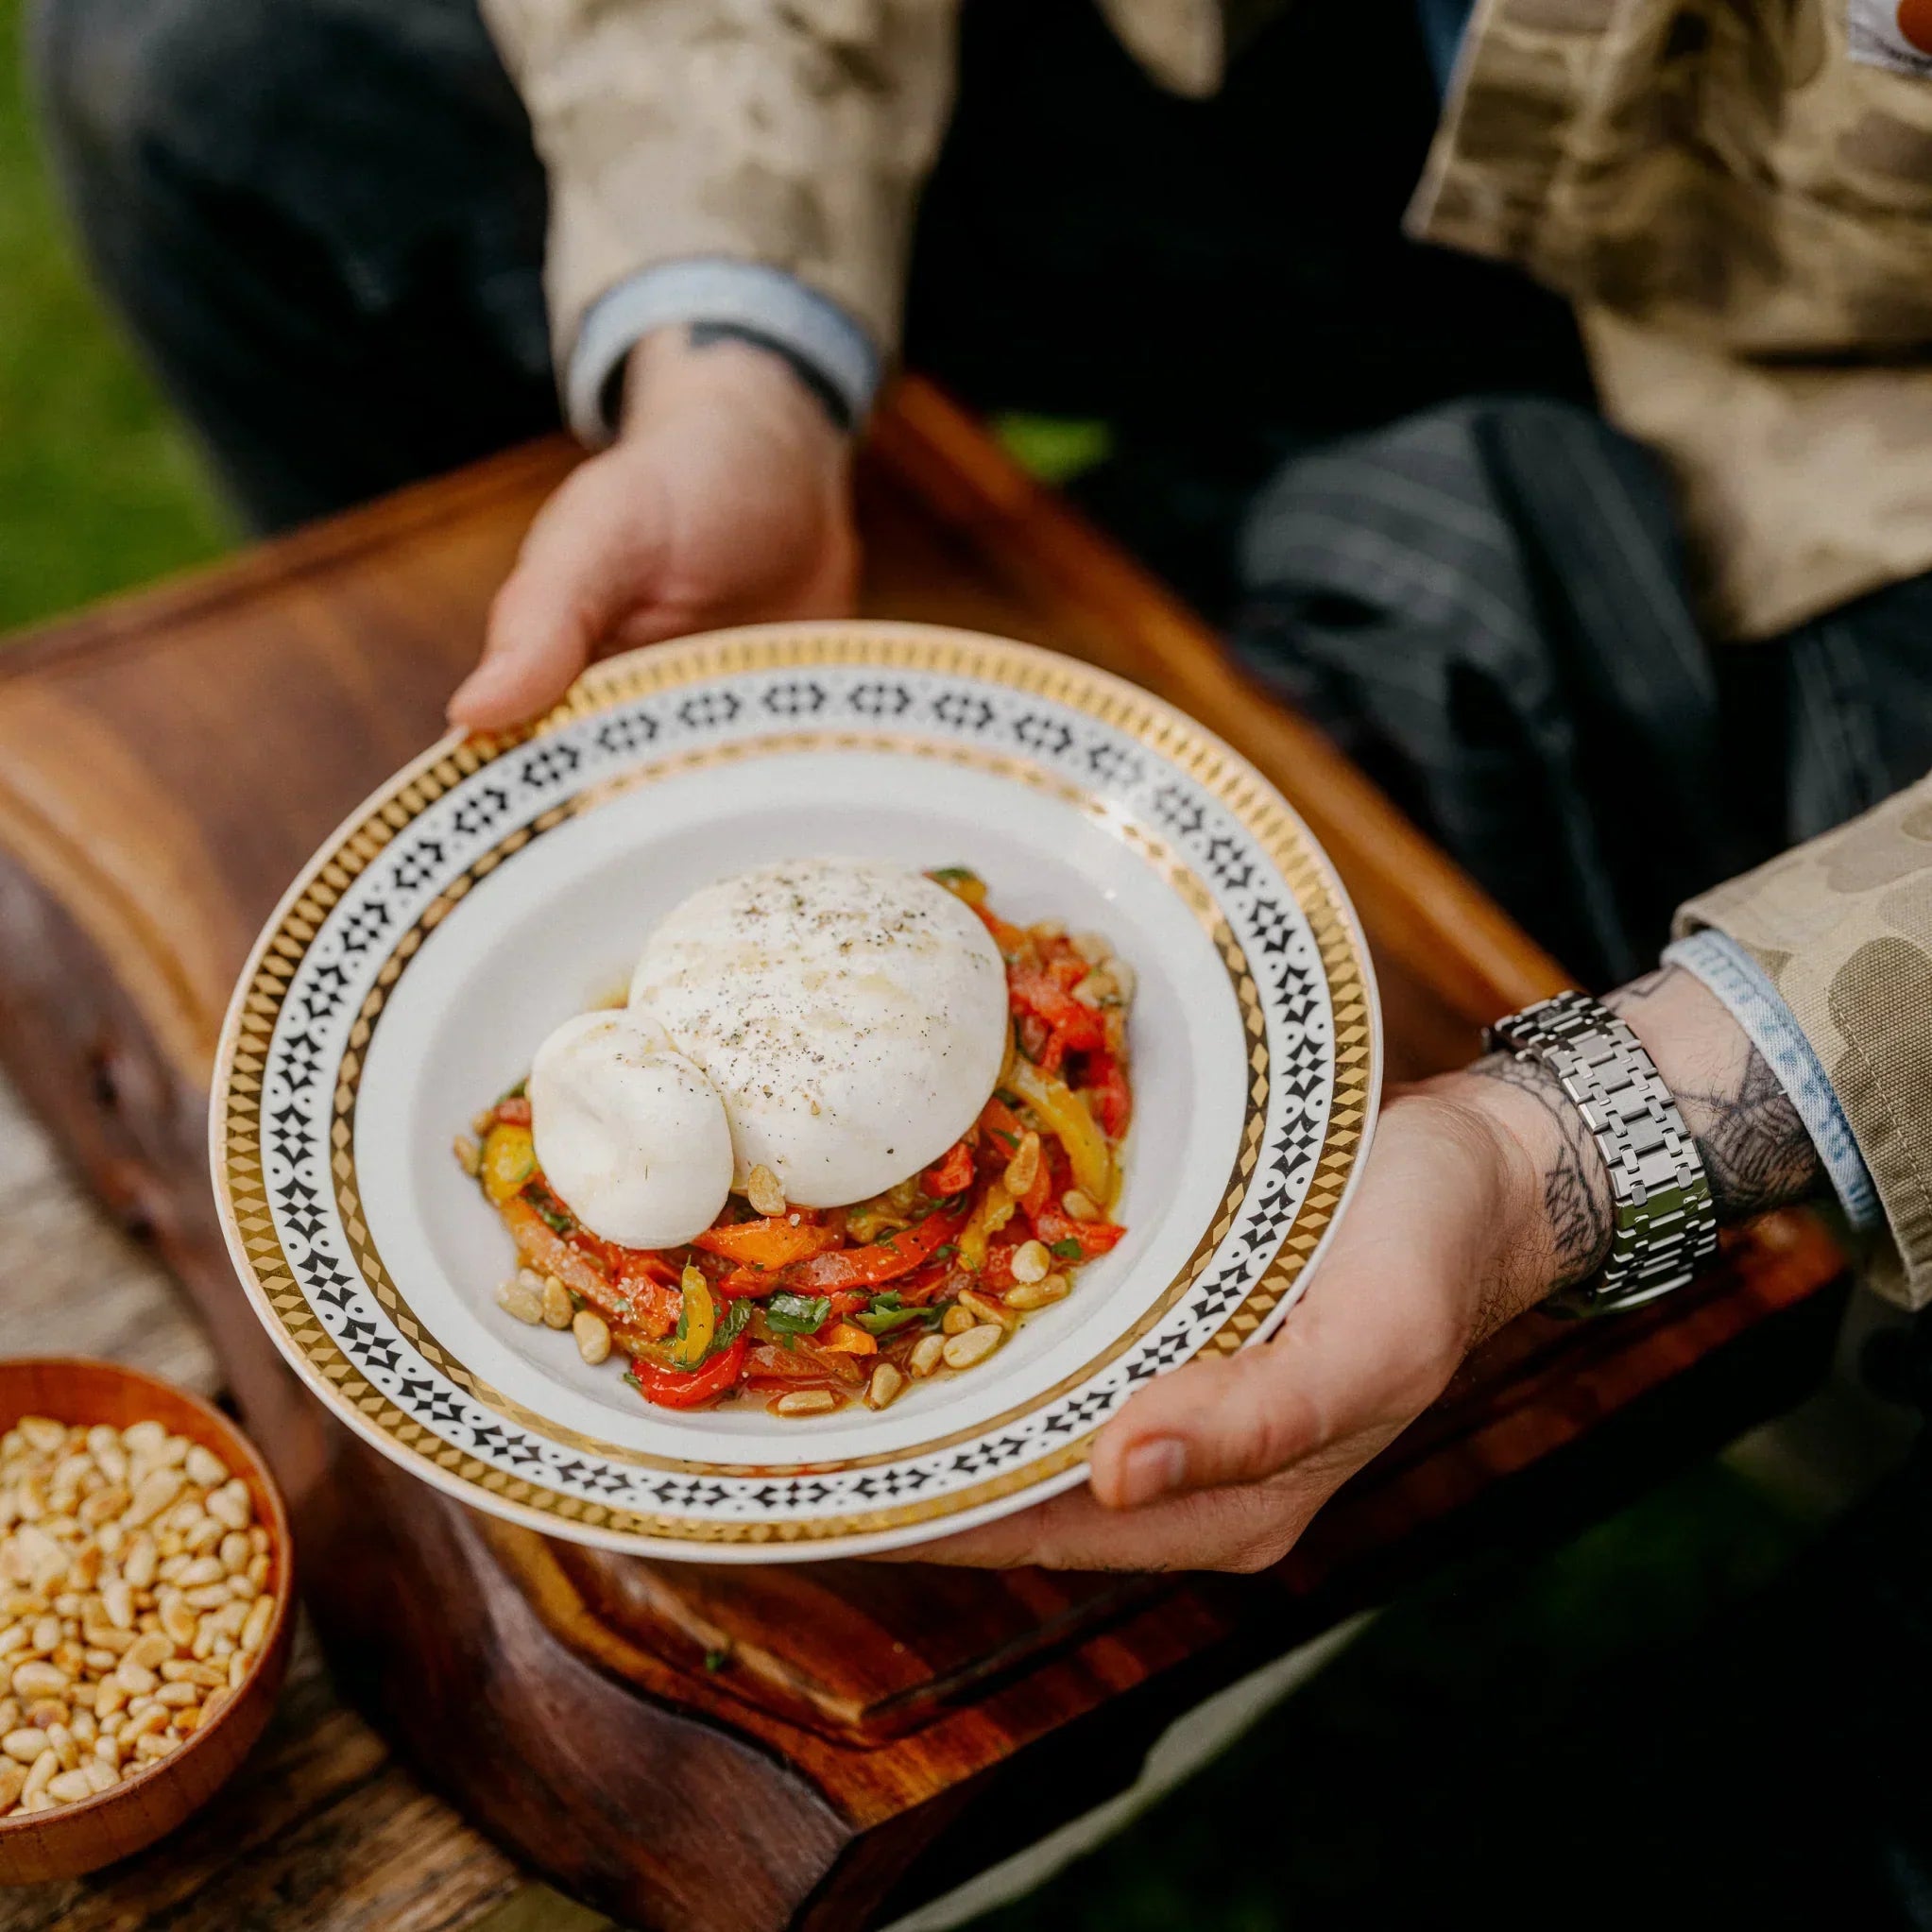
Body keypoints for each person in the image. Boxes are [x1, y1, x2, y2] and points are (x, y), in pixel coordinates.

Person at [29, 0, 1932, 1579]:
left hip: (1865, 402)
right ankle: (536, 718)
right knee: (207, 62)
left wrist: (1572, 1150)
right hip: (1318, 90)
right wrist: (731, 372)